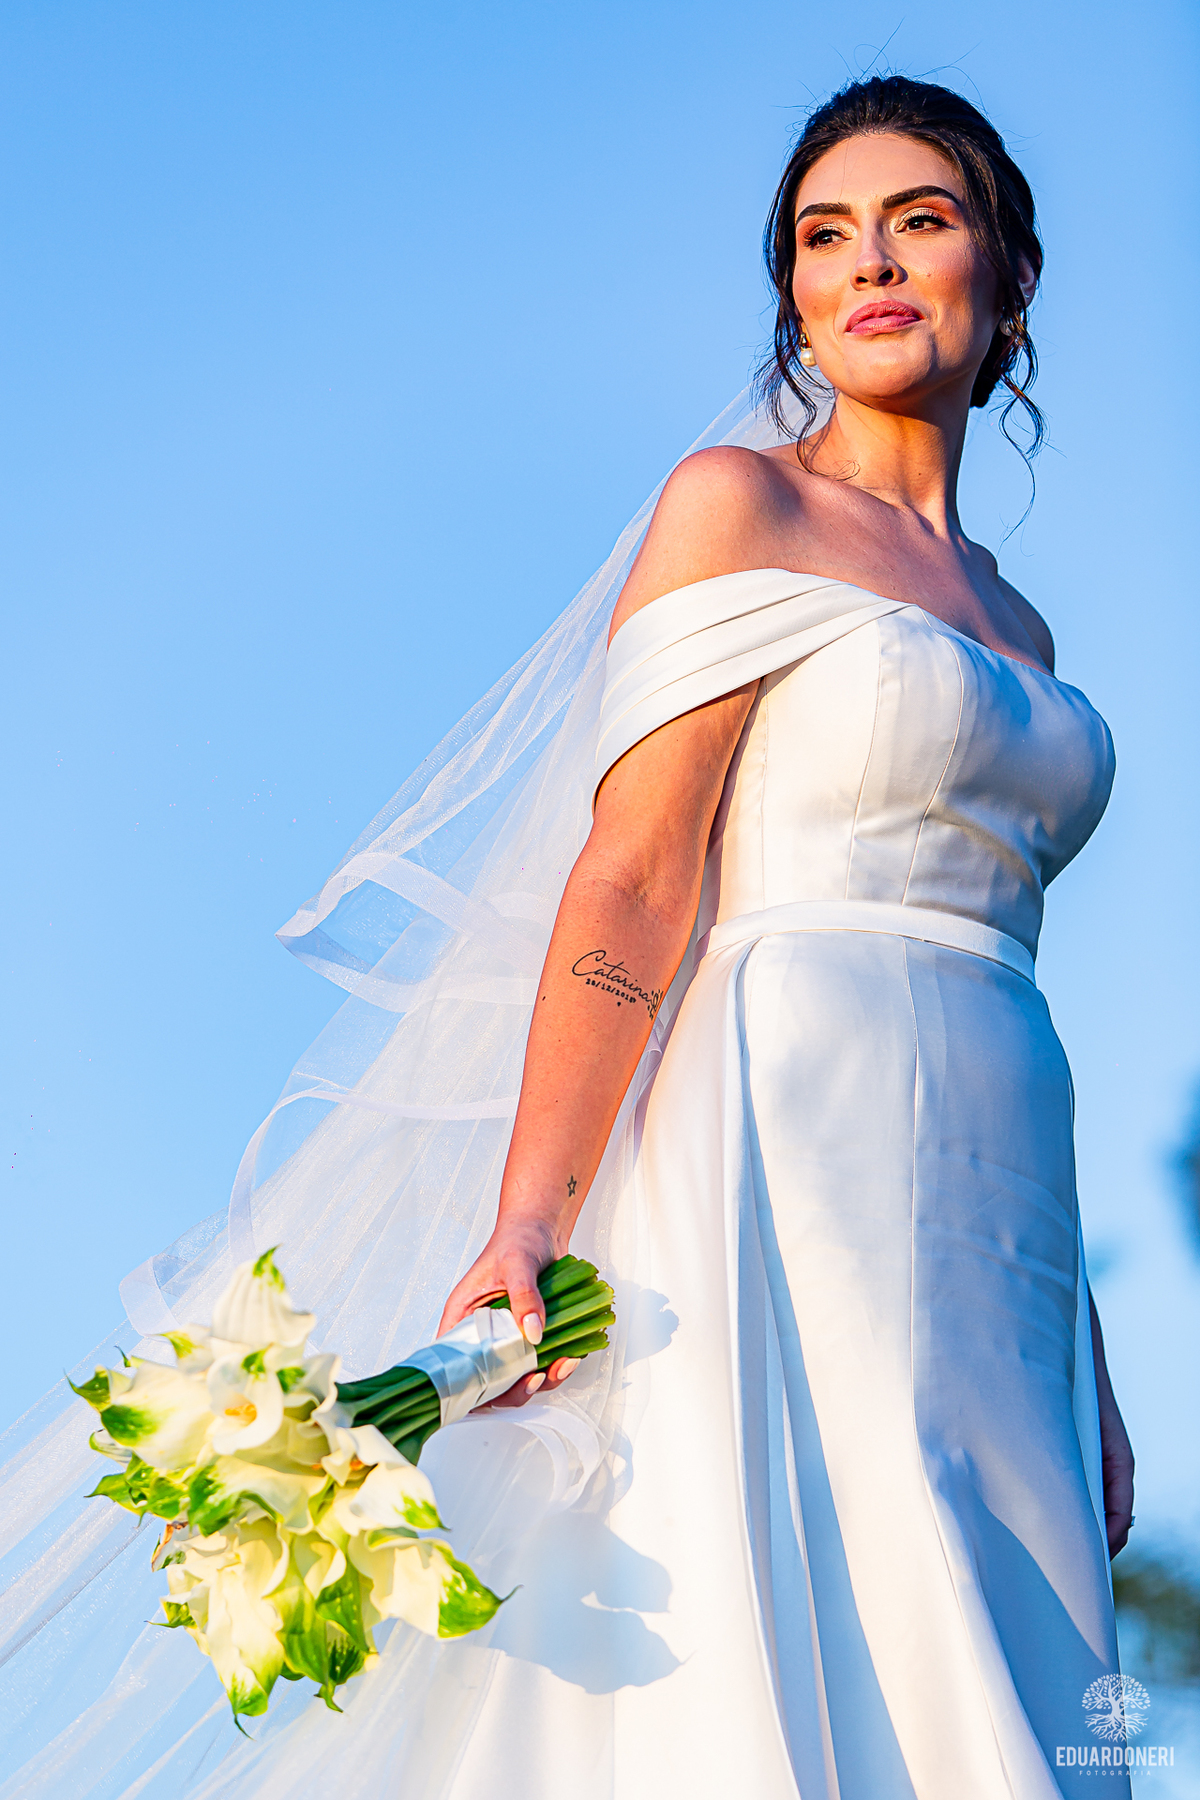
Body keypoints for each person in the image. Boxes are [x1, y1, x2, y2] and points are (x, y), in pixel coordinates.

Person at [0, 75, 1133, 1800]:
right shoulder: (740, 509)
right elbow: (631, 875)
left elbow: (1010, 969)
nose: (869, 264)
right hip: (783, 1132)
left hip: (1004, 1204)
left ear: (1008, 276)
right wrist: (529, 1220)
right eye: (824, 238)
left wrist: (1090, 1363)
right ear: (795, 302)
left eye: (920, 218)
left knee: (1007, 1646)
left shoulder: (1028, 621)